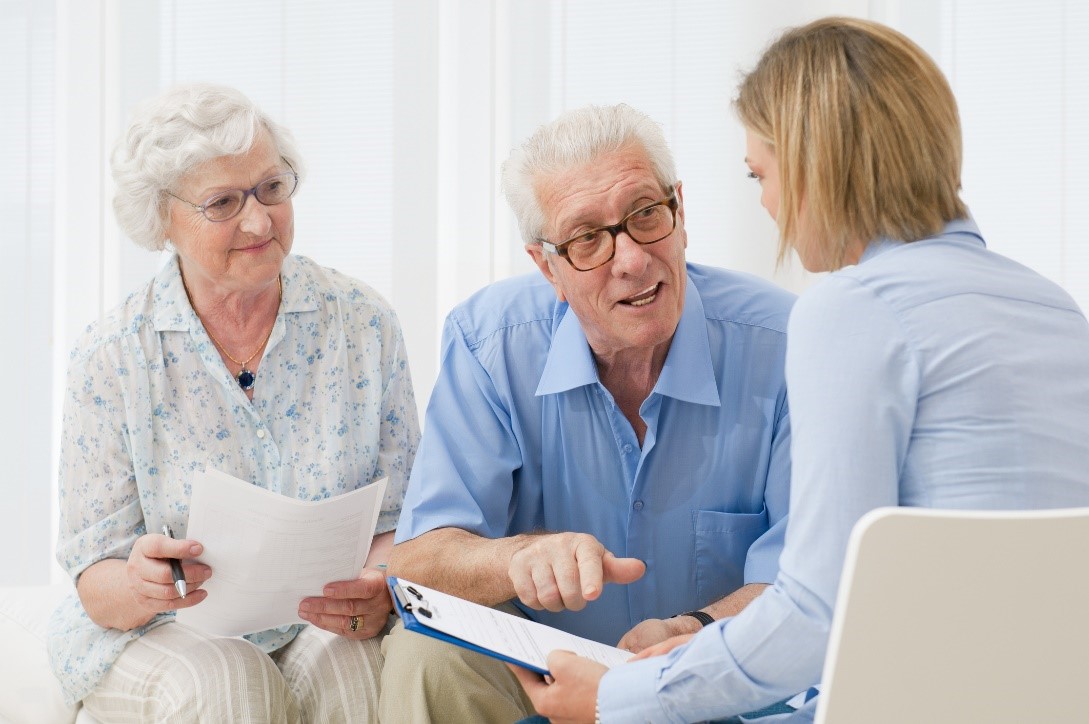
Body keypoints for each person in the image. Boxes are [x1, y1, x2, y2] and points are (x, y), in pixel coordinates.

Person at [511, 16, 1089, 723]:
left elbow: (818, 612)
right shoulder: (1053, 306)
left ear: (817, 165)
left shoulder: (854, 309)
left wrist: (617, 699)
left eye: (761, 173)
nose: (766, 203)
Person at [380, 103, 796, 723]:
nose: (630, 260)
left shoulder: (786, 342)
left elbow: (810, 581)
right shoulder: (489, 342)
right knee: (424, 653)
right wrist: (516, 559)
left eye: (646, 215)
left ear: (681, 214)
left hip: (712, 683)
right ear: (547, 265)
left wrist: (695, 631)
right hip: (544, 684)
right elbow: (416, 565)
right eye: (587, 239)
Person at [48, 83, 420, 722]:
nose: (259, 220)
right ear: (162, 217)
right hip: (159, 633)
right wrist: (140, 585)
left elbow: (401, 520)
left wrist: (378, 583)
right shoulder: (111, 356)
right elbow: (98, 588)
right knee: (229, 678)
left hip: (315, 622)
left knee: (354, 668)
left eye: (272, 188)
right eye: (223, 202)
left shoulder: (364, 325)